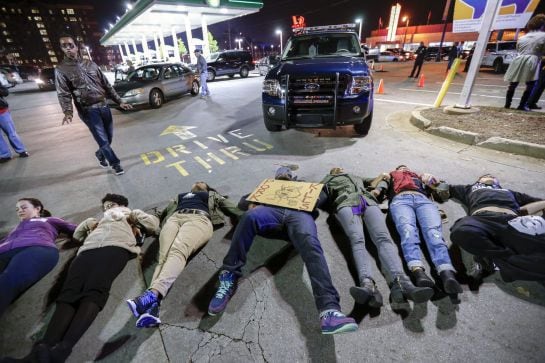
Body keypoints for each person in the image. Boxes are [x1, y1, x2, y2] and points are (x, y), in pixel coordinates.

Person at [4, 194, 160, 363]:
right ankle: (40, 351)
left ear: (122, 204)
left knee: (93, 292)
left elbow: (152, 225)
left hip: (116, 249)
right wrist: (89, 224)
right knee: (67, 295)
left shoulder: (130, 214)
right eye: (106, 206)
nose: (108, 208)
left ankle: (63, 350)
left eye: (112, 204)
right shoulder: (98, 221)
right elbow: (78, 236)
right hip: (86, 251)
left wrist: (135, 214)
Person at [208, 167, 358, 335]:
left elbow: (322, 199)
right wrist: (250, 203)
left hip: (299, 214)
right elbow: (243, 202)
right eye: (281, 172)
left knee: (310, 240)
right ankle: (229, 276)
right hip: (271, 212)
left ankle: (329, 311)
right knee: (248, 217)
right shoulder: (270, 186)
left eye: (287, 172)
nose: (283, 174)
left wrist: (313, 196)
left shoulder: (304, 184)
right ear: (276, 176)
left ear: (293, 176)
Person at [126, 182, 242, 328]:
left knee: (178, 251)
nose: (198, 183)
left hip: (198, 219)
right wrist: (141, 224)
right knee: (163, 260)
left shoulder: (211, 195)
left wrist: (247, 217)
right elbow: (160, 214)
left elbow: (232, 208)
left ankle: (151, 296)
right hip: (174, 219)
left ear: (207, 188)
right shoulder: (179, 197)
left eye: (202, 183)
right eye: (196, 183)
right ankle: (152, 309)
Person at [319, 167, 434, 308]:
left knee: (384, 239)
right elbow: (316, 194)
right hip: (346, 204)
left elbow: (378, 181)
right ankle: (367, 284)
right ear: (331, 172)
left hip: (368, 202)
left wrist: (380, 182)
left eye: (341, 167)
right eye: (335, 168)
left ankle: (402, 283)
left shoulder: (355, 176)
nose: (339, 168)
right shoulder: (326, 181)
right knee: (357, 240)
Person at [435, 174, 545, 284]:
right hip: (482, 219)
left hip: (512, 221)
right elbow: (444, 187)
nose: (490, 176)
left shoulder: (510, 192)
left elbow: (538, 202)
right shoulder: (469, 188)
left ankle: (498, 261)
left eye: (492, 176)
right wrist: (432, 180)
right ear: (479, 181)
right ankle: (503, 259)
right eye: (486, 175)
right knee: (462, 230)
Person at [55, 33, 133, 175]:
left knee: (108, 137)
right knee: (102, 139)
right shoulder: (61, 69)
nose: (68, 48)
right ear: (61, 48)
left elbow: (106, 85)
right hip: (88, 110)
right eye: (63, 46)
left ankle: (100, 154)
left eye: (70, 45)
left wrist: (120, 101)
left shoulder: (90, 64)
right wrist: (67, 111)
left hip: (104, 106)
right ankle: (115, 164)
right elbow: (63, 93)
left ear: (76, 47)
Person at [379, 165, 462, 295]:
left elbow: (441, 189)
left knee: (434, 233)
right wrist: (382, 180)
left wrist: (433, 180)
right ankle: (418, 272)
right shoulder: (390, 175)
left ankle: (446, 273)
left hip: (423, 200)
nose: (403, 168)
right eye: (400, 167)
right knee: (408, 232)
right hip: (400, 199)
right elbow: (378, 187)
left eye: (405, 167)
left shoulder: (418, 176)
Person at [0, 198, 76, 318]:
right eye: (17, 209)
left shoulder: (49, 220)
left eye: (24, 207)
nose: (20, 211)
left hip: (38, 248)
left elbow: (75, 228)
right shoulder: (16, 229)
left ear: (37, 208)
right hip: (5, 251)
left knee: (6, 282)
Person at [504, 14, 545, 111]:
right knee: (531, 84)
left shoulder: (523, 37)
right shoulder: (543, 36)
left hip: (518, 59)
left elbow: (518, 48)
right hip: (533, 59)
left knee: (513, 83)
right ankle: (522, 105)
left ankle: (507, 105)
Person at [0, 85, 29, 163]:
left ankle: (21, 151)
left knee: (11, 133)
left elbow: (6, 92)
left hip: (2, 112)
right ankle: (5, 155)